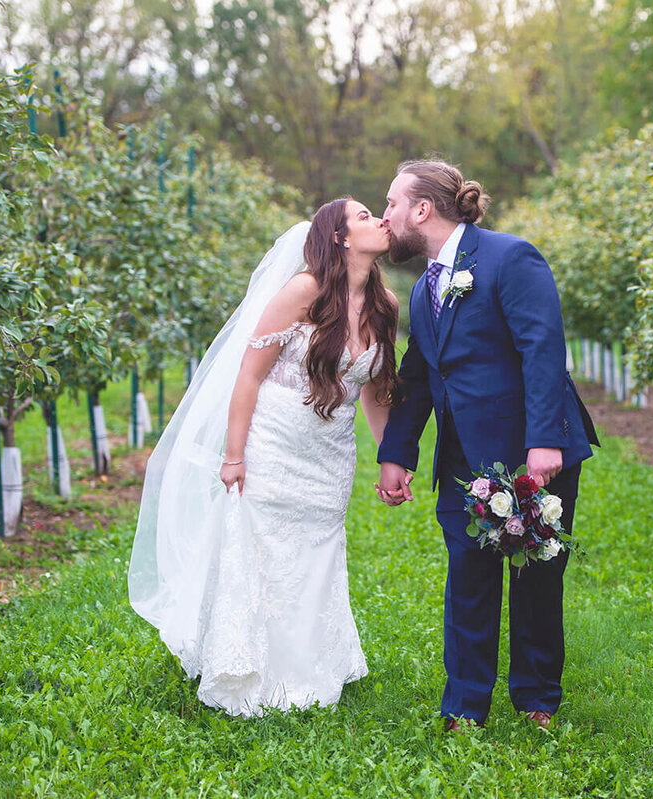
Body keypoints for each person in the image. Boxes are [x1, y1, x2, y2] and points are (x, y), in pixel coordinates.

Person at [128, 198, 399, 716]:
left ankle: (313, 662)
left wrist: (391, 458)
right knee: (264, 547)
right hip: (275, 441)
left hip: (331, 452)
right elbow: (248, 375)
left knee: (316, 552)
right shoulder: (303, 290)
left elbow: (373, 391)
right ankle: (248, 663)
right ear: (340, 238)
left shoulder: (384, 302)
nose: (379, 220)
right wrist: (233, 456)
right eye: (364, 216)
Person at [375, 160, 599, 731]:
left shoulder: (509, 257)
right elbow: (421, 375)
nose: (386, 215)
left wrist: (544, 441)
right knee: (468, 582)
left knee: (536, 579)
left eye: (392, 203)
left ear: (422, 210)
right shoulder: (426, 290)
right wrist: (396, 453)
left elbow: (542, 349)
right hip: (460, 459)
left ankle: (536, 700)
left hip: (531, 455)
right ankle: (464, 709)